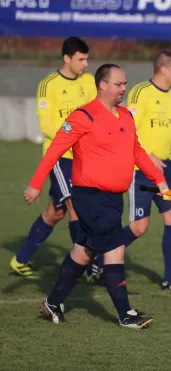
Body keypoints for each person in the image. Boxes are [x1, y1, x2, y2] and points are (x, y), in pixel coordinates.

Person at [23, 63, 168, 328]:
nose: (124, 88)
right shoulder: (82, 117)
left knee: (84, 250)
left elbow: (136, 151)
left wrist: (159, 180)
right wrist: (35, 184)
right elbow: (54, 152)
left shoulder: (125, 116)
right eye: (119, 84)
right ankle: (126, 315)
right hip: (91, 197)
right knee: (115, 249)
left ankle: (52, 303)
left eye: (125, 84)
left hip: (114, 199)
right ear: (103, 85)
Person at [87, 51, 171, 291]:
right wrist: (149, 154)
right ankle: (99, 259)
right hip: (140, 169)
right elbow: (128, 128)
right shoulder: (141, 93)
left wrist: (161, 158)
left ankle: (169, 279)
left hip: (166, 166)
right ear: (164, 70)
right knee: (139, 228)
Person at [10, 37, 96, 279]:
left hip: (85, 156)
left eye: (87, 59)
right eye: (81, 59)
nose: (85, 64)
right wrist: (79, 135)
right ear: (66, 58)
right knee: (75, 208)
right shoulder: (49, 85)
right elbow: (48, 125)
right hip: (60, 156)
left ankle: (20, 260)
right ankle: (86, 267)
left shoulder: (88, 82)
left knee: (54, 212)